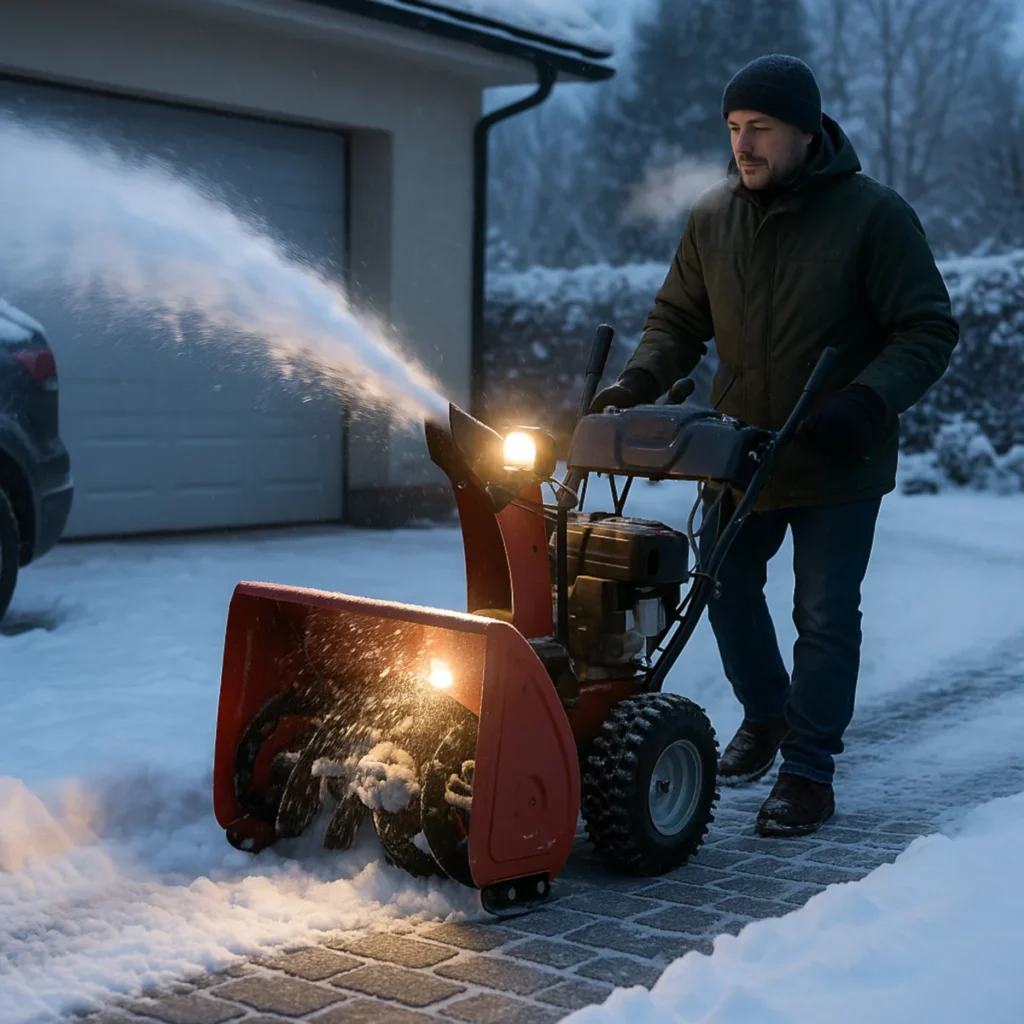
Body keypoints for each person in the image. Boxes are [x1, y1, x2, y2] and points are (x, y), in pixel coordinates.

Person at [590, 54, 959, 837]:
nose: (743, 145)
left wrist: (866, 400)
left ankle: (808, 770)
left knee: (822, 613)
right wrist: (638, 380)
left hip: (839, 454)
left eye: (759, 128)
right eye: (733, 128)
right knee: (721, 587)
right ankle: (767, 714)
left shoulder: (873, 216)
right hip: (742, 452)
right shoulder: (713, 217)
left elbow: (927, 327)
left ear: (806, 133)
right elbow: (677, 319)